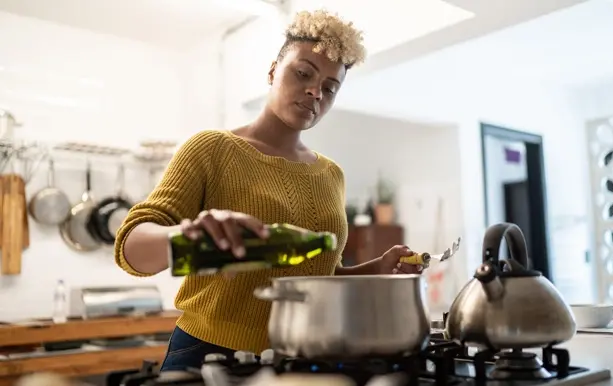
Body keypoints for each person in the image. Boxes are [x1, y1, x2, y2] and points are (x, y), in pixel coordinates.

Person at [114, 9, 423, 372]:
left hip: (304, 355)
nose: (315, 91)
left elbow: (316, 274)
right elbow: (130, 246)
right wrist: (186, 235)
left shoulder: (331, 174)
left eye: (329, 87)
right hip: (210, 355)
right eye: (303, 73)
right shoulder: (212, 148)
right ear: (273, 70)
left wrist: (375, 270)